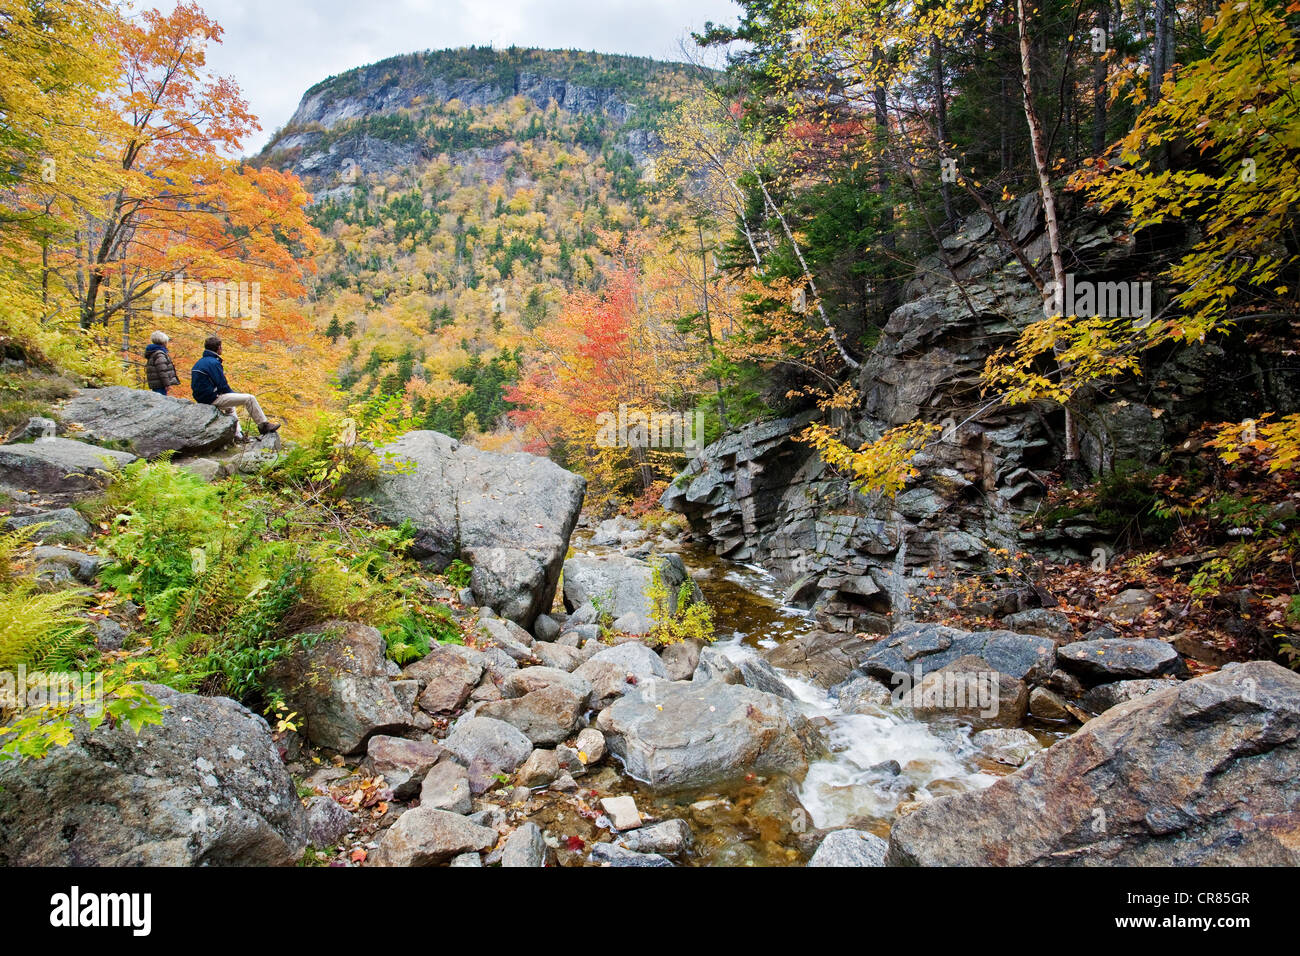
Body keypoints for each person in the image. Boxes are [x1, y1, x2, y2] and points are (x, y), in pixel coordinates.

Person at [190, 335, 280, 438]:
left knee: (230, 408)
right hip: (211, 398)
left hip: (202, 398)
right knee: (250, 398)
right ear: (219, 348)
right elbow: (222, 386)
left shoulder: (200, 362)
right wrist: (234, 394)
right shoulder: (213, 363)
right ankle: (263, 425)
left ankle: (237, 435)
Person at [144, 331, 180, 395]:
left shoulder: (154, 352)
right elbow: (162, 370)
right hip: (160, 384)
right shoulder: (160, 354)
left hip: (157, 383)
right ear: (163, 342)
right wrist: (167, 384)